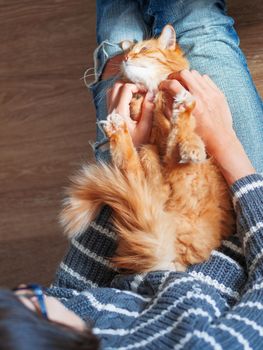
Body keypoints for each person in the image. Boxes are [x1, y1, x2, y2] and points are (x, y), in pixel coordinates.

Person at [1, 1, 262, 349]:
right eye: (31, 297)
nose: (33, 289)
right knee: (198, 27)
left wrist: (130, 160)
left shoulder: (64, 318)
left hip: (140, 189)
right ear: (64, 337)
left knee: (117, 55)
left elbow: (74, 284)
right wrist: (225, 142)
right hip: (235, 222)